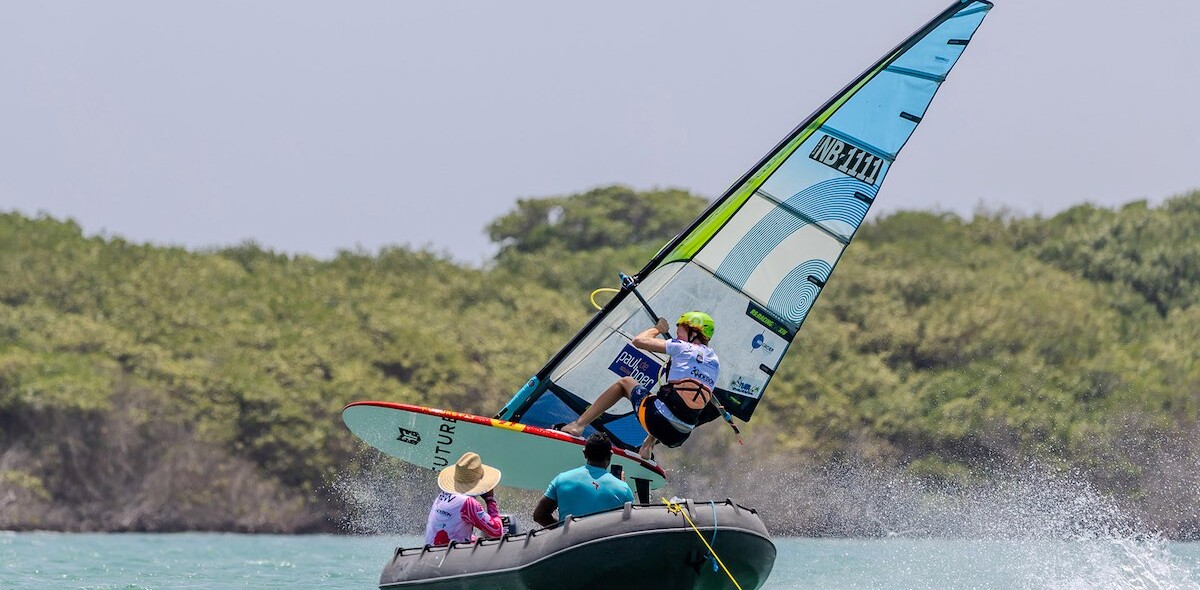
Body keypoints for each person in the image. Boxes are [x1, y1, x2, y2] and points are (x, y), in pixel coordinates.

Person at [559, 311, 721, 459]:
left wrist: (658, 328)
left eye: (680, 334)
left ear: (694, 333)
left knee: (626, 383)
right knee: (668, 401)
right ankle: (646, 447)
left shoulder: (682, 347)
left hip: (658, 421)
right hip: (680, 435)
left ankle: (577, 426)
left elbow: (639, 341)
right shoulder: (715, 362)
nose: (677, 338)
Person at [533, 433, 634, 527]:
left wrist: (561, 530)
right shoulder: (623, 489)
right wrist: (622, 485)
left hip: (567, 544)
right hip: (603, 544)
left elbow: (539, 515)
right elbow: (631, 525)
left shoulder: (561, 479)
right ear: (611, 454)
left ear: (584, 452)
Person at [424, 451, 505, 546]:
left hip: (430, 550)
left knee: (476, 539)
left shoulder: (442, 495)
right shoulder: (468, 503)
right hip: (450, 554)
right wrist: (490, 499)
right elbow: (497, 532)